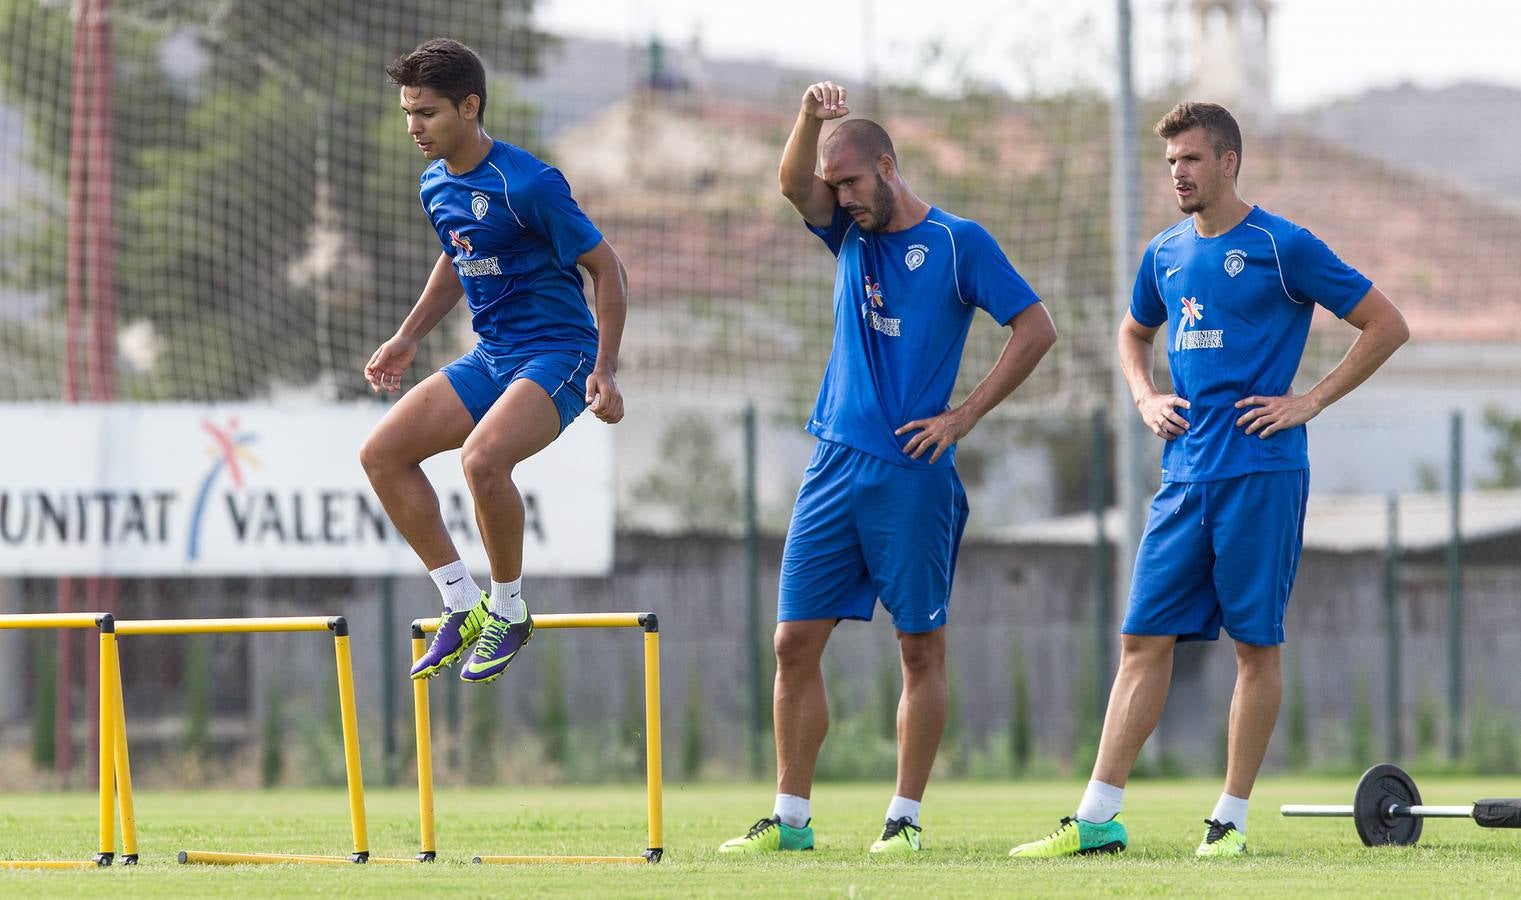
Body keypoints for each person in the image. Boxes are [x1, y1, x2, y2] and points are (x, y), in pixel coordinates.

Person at [1009, 101, 1408, 859]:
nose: (1177, 175)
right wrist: (1143, 394)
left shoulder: (1281, 245)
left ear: (1227, 162)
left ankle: (1227, 823)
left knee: (1253, 647)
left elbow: (1385, 323)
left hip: (1260, 474)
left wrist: (1309, 400)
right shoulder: (1161, 251)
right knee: (1140, 639)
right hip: (1183, 477)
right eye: (1169, 164)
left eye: (1189, 160)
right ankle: (1097, 817)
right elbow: (1132, 331)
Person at [719, 81, 1057, 856]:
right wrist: (806, 116)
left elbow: (1035, 328)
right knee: (792, 643)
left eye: (849, 182)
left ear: (887, 167)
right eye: (832, 186)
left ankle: (901, 821)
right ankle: (790, 821)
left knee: (917, 648)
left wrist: (962, 416)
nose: (837, 197)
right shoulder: (846, 235)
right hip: (832, 462)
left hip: (913, 472)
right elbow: (787, 183)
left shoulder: (956, 242)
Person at [358, 38, 627, 685]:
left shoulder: (527, 182)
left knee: (482, 459)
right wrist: (408, 336)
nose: (413, 127)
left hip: (559, 353)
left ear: (469, 106)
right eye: (407, 113)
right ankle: (460, 602)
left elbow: (606, 267)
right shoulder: (434, 183)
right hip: (493, 354)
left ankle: (510, 610)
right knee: (382, 454)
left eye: (426, 113)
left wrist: (607, 368)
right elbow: (459, 255)